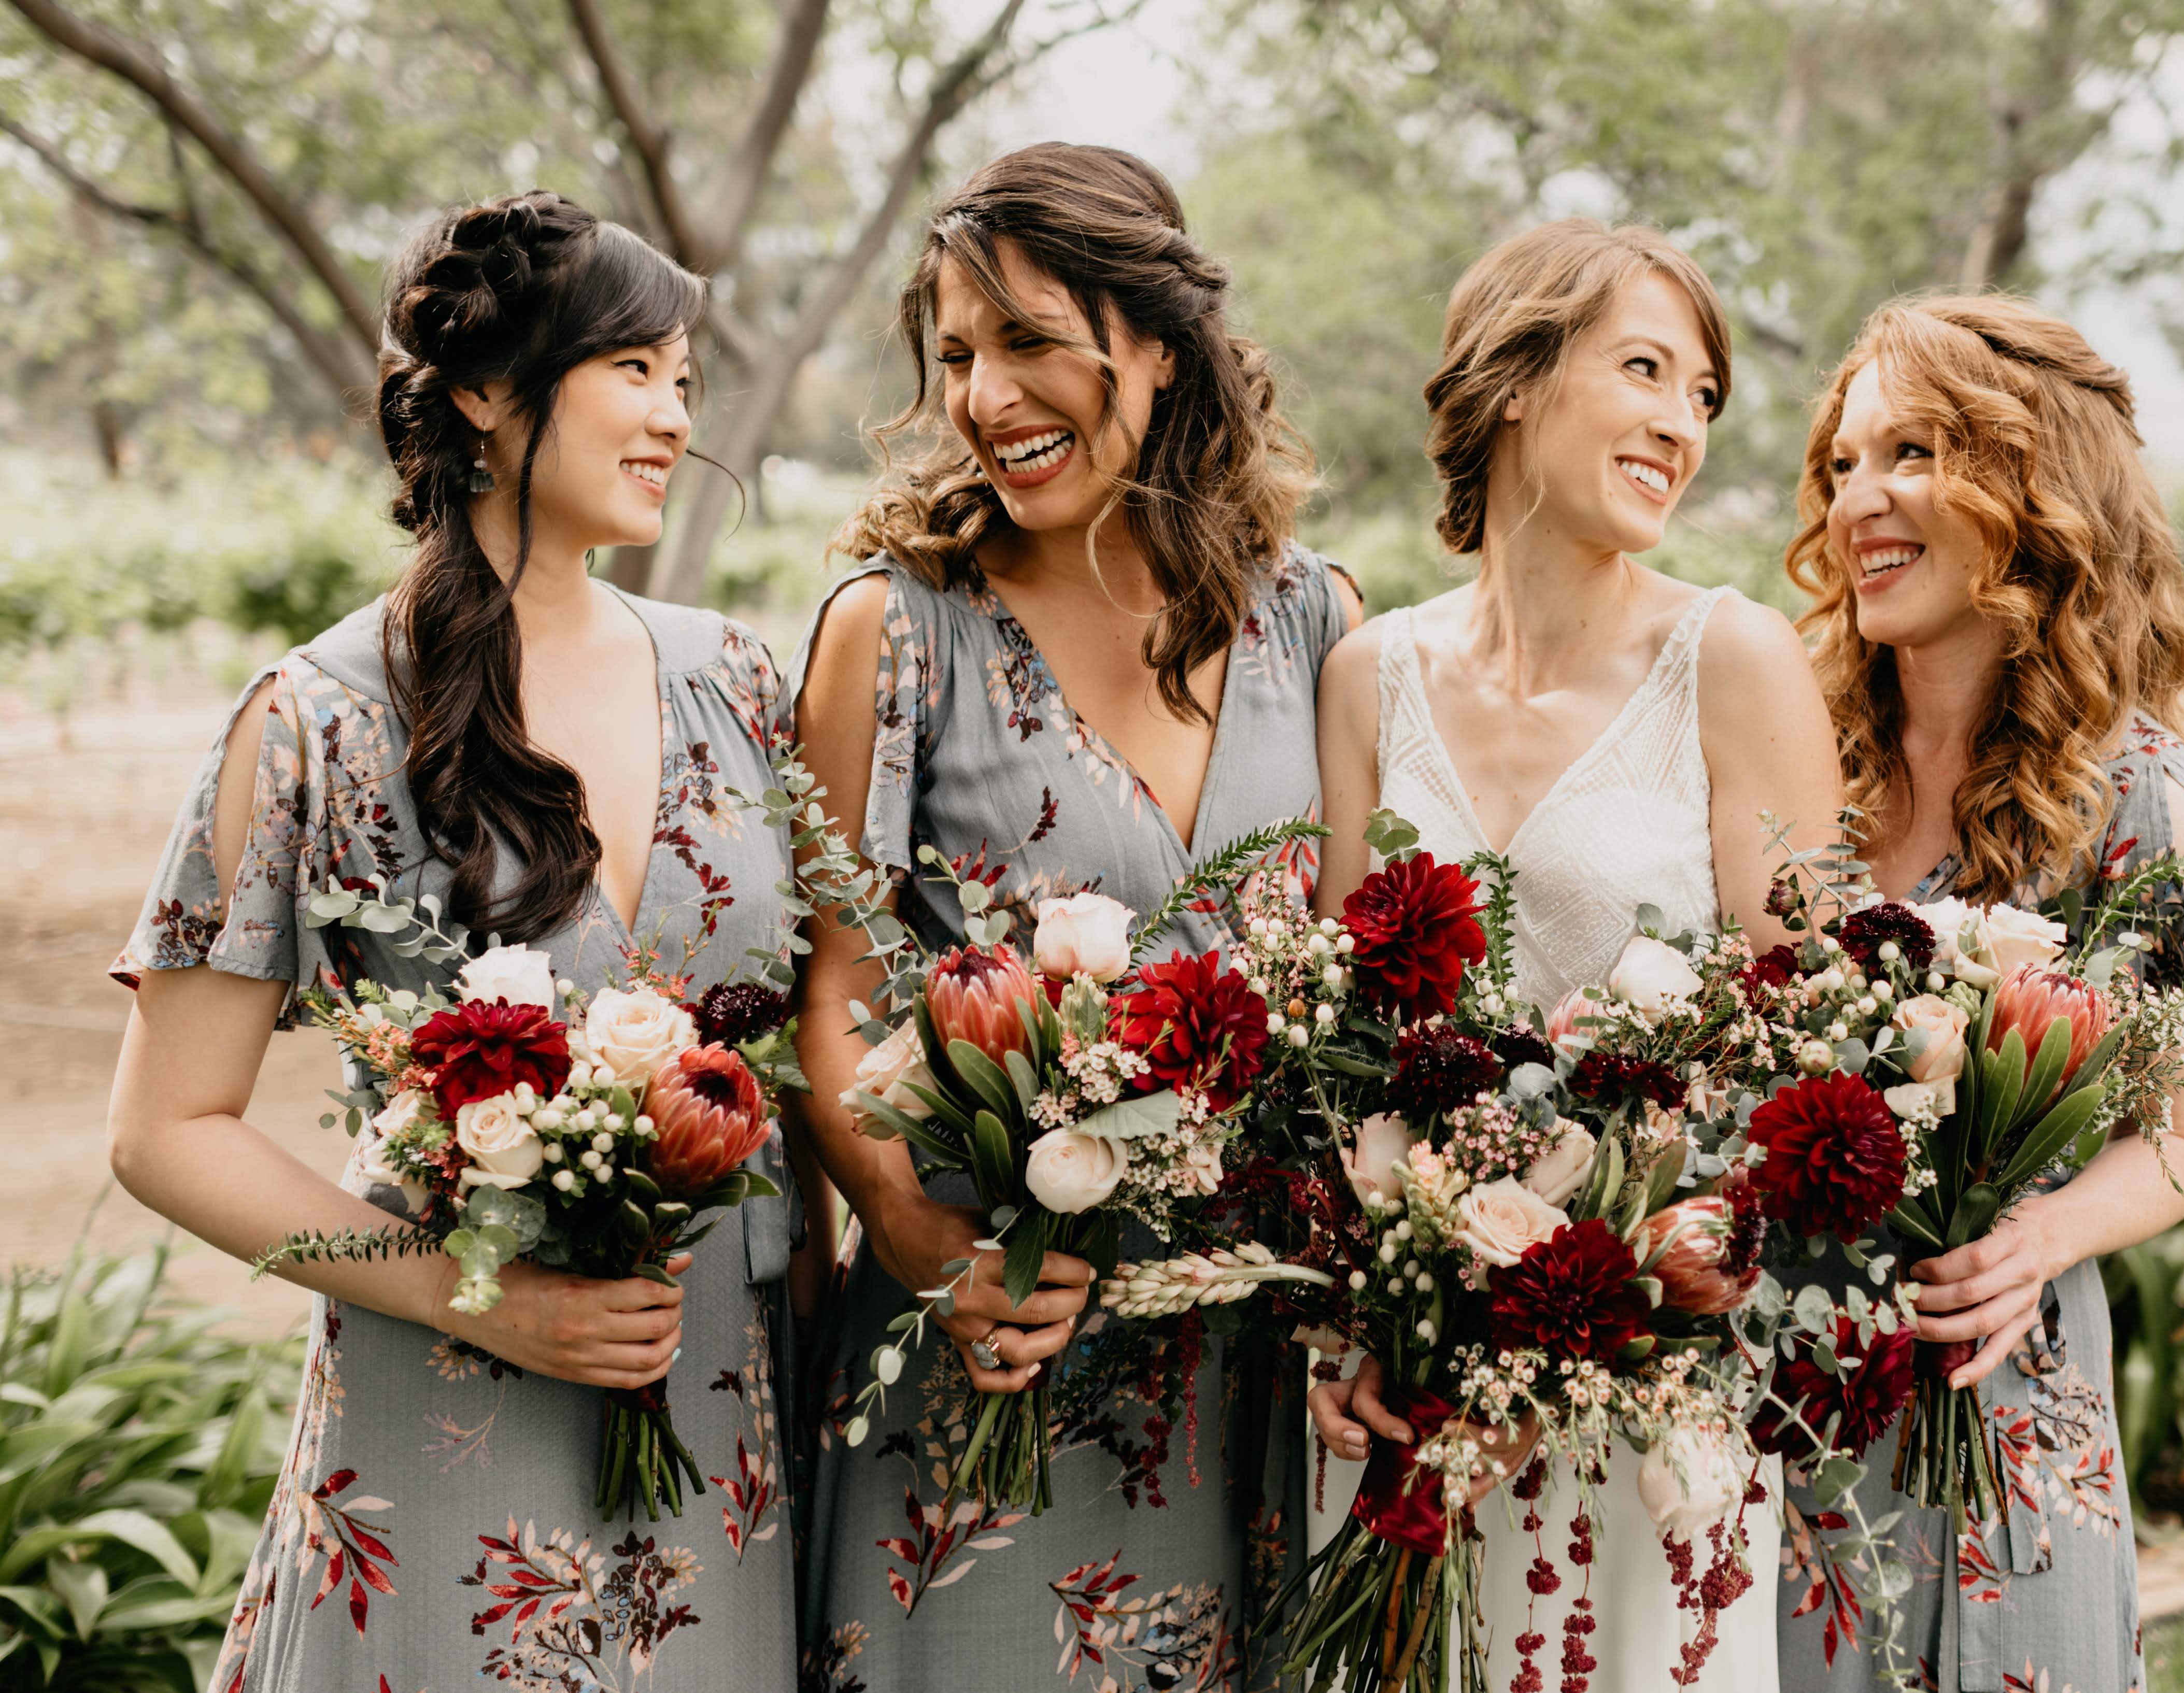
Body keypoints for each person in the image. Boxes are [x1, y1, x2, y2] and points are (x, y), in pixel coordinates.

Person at [105, 190, 804, 1690]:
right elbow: (165, 1129)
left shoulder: (743, 681)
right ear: (487, 390)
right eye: (633, 368)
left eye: (685, 378)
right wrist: (471, 1292)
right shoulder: (316, 719)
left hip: (720, 1424)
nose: (675, 415)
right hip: (441, 1427)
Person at [786, 141, 1360, 1693]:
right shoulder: (897, 628)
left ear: (1161, 344)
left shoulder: (1315, 619)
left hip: (1253, 1361)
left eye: (1031, 341)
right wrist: (918, 1233)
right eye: (957, 356)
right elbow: (830, 993)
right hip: (990, 1354)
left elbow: (1361, 987)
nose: (987, 398)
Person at [1307, 217, 1846, 1692]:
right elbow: (1346, 1054)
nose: (1684, 424)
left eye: (1704, 396)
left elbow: (1804, 1053)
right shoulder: (1367, 675)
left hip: (1649, 1399)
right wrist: (1364, 1320)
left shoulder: (1734, 659)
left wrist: (1572, 1337)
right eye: (1646, 371)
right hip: (1416, 1382)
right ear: (1516, 378)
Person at [1772, 295, 2184, 1692]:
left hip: (1997, 1390)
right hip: (1781, 1402)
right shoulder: (1796, 761)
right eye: (1843, 463)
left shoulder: (2149, 801)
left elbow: (2179, 1141)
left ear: (2036, 484)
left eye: (1914, 453)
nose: (1859, 501)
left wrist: (2036, 1237)